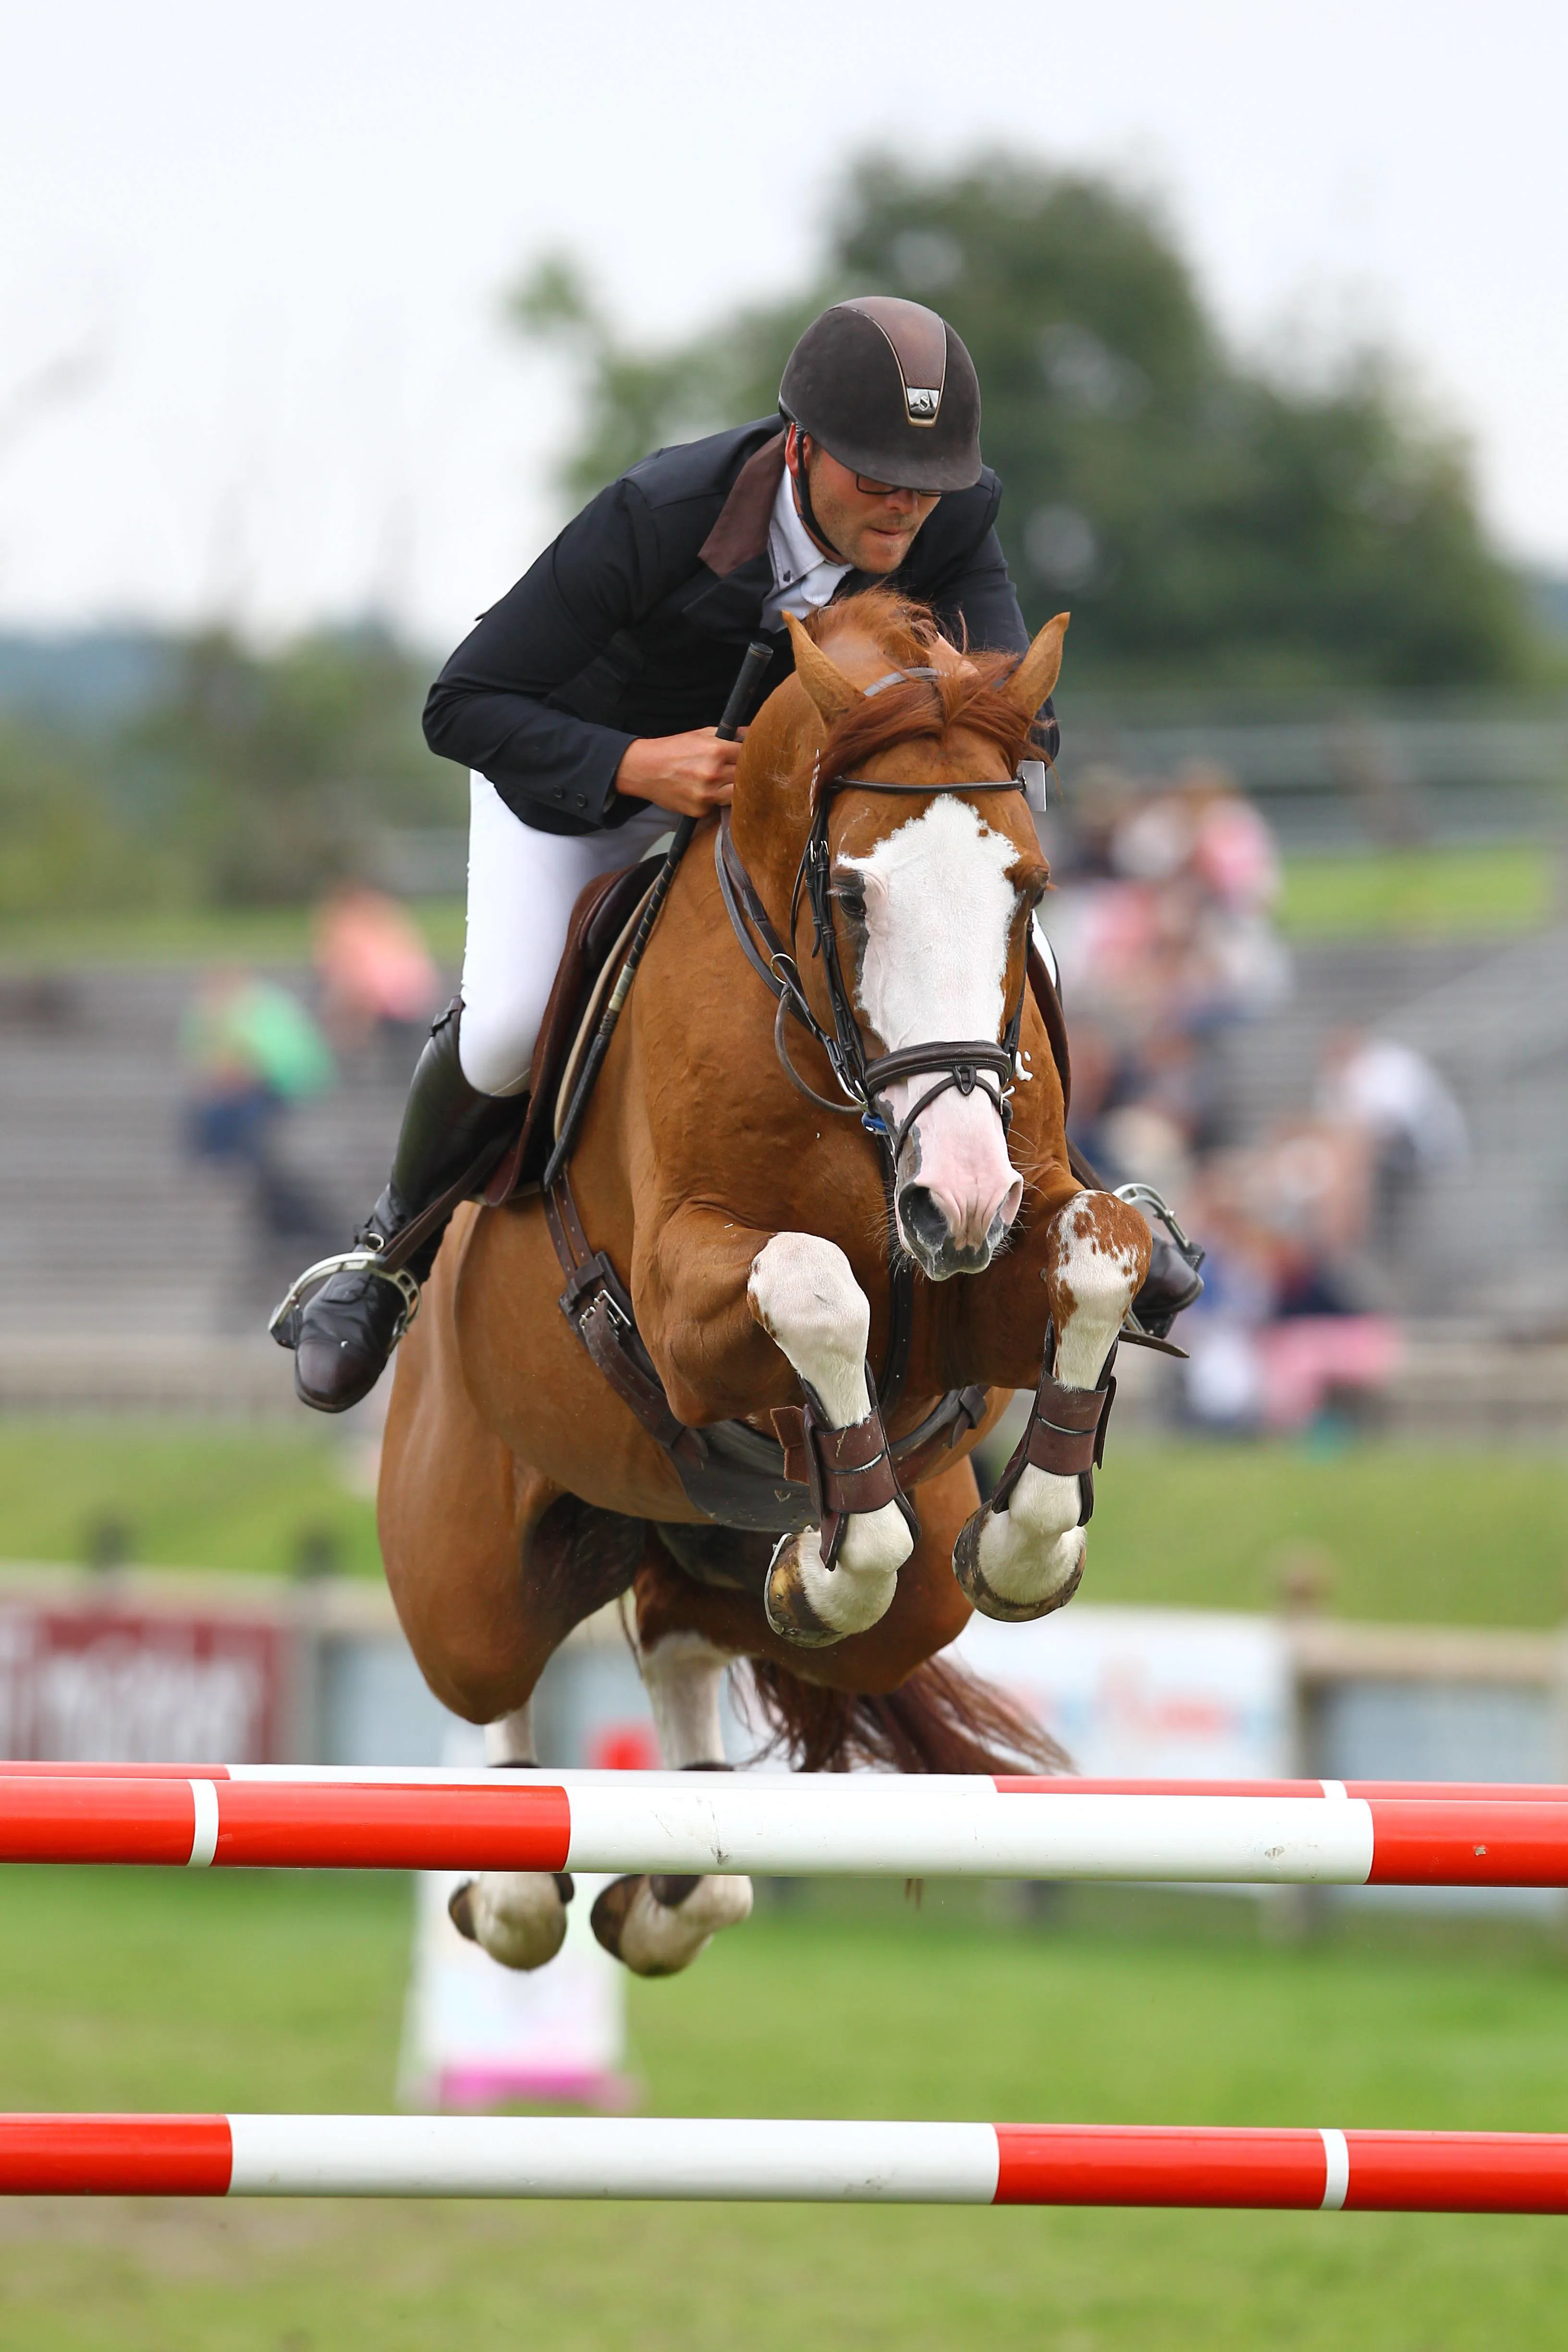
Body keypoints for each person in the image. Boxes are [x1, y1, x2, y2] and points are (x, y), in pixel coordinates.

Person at [273, 294, 1192, 1413]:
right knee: (512, 1022)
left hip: (791, 817)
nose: (905, 504)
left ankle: (1069, 1182)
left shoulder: (950, 515)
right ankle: (387, 1255)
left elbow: (1011, 718)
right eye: (875, 474)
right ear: (800, 446)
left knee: (1001, 937)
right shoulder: (659, 516)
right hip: (593, 785)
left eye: (926, 478)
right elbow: (462, 702)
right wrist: (633, 764)